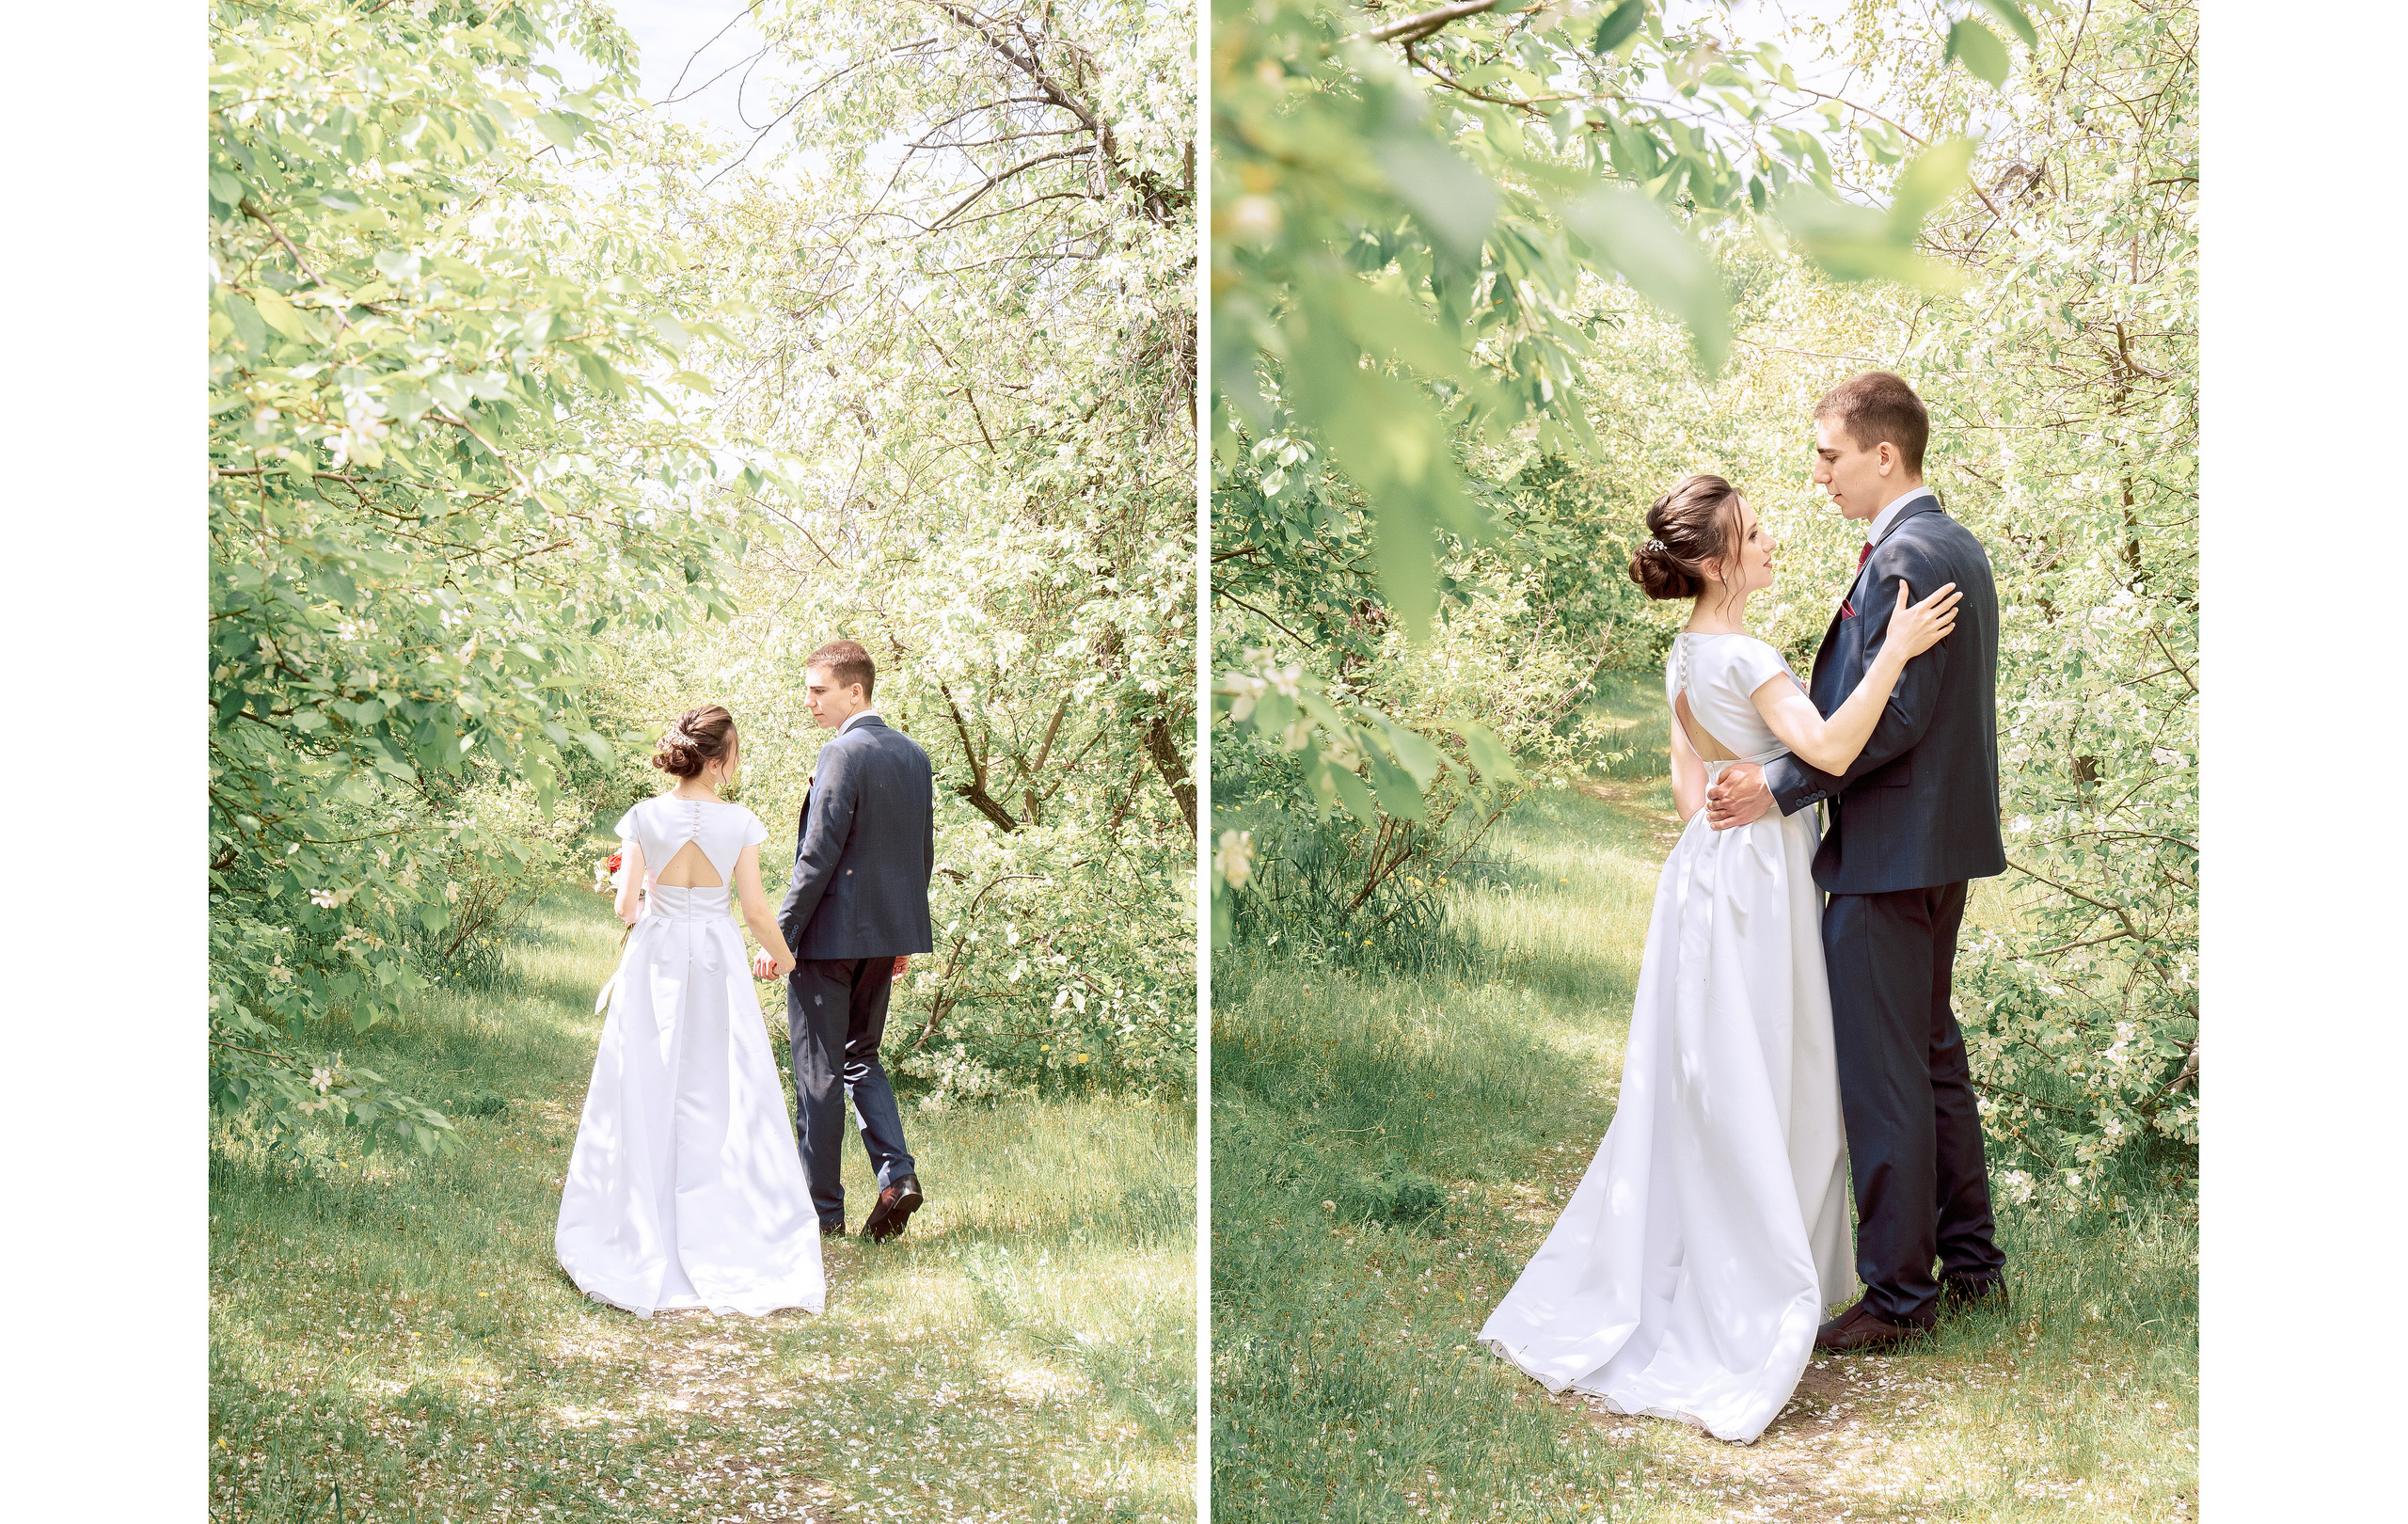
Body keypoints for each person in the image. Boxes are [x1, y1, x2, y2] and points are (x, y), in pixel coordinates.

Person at [1479, 472, 1959, 1443]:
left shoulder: (1684, 653)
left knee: (1704, 1074)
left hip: (1700, 874)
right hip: (1755, 885)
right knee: (1774, 1068)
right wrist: (1895, 653)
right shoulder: (1744, 654)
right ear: (1712, 562)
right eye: (1751, 532)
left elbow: (1684, 780)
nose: (1770, 538)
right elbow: (1825, 748)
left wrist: (1718, 812)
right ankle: (1753, 1273)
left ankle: (1701, 1252)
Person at [1703, 372, 2010, 1351]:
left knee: (1886, 1076)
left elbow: (1902, 716)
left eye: (1830, 455)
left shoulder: (1907, 556)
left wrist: (1782, 785)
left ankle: (1896, 1300)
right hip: (1938, 847)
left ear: (1886, 454)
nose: (1818, 473)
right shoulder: (1950, 541)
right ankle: (1972, 1271)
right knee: (1929, 1060)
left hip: (1885, 853)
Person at [555, 706, 825, 1317]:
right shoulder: (741, 822)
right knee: (721, 1082)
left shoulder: (644, 817)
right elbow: (755, 910)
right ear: (722, 755)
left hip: (656, 958)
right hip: (715, 959)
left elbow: (627, 906)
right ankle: (721, 1217)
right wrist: (786, 961)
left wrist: (652, 904)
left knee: (646, 1078)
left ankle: (637, 1219)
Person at [753, 640, 937, 1242]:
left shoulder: (841, 753)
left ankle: (821, 1214)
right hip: (884, 936)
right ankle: (897, 1176)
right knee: (861, 1059)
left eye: (818, 689)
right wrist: (901, 934)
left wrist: (782, 937)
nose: (808, 701)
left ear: (854, 692)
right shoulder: (914, 756)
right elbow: (917, 856)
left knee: (819, 1072)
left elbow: (818, 855)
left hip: (829, 940)